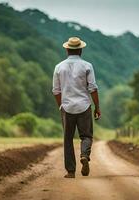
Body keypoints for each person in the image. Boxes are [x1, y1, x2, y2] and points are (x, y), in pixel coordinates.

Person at [52, 37, 101, 178]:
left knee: (68, 139)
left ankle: (71, 171)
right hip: (84, 106)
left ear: (67, 49)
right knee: (86, 136)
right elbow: (93, 88)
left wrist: (61, 105)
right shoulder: (87, 66)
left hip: (67, 107)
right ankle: (84, 155)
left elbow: (56, 91)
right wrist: (97, 107)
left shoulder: (59, 67)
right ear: (80, 50)